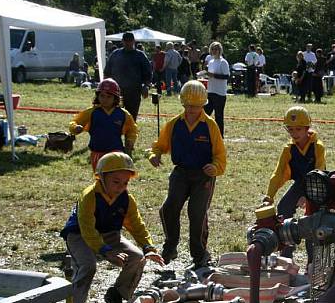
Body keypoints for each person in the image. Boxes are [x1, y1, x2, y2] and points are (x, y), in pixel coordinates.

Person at [55, 152, 164, 303]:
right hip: (80, 235)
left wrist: (149, 247)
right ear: (101, 177)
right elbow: (87, 229)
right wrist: (106, 252)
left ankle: (116, 294)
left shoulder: (126, 199)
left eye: (125, 183)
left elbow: (136, 225)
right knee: (88, 266)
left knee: (137, 257)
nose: (121, 187)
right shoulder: (89, 196)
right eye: (116, 182)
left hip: (109, 235)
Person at [149, 81, 227, 269]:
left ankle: (200, 254)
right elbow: (159, 145)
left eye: (196, 106)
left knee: (197, 212)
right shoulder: (174, 124)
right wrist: (154, 155)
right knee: (168, 208)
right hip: (181, 172)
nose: (192, 110)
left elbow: (220, 155)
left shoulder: (210, 125)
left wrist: (215, 167)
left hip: (203, 175)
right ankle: (170, 247)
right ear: (182, 103)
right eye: (188, 106)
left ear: (203, 105)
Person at [263, 106, 326, 258]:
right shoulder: (288, 149)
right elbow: (278, 173)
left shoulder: (317, 147)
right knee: (283, 207)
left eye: (298, 129)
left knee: (312, 218)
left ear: (307, 128)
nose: (294, 133)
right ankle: (286, 255)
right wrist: (269, 196)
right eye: (290, 130)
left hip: (317, 186)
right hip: (300, 184)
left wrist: (308, 196)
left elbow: (321, 172)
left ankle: (313, 261)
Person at [69, 78, 138, 171]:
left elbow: (132, 129)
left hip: (116, 152)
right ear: (97, 96)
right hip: (97, 152)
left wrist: (130, 141)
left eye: (109, 97)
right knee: (100, 178)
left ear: (115, 98)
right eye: (102, 96)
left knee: (113, 178)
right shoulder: (92, 112)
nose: (105, 99)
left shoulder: (123, 114)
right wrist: (75, 128)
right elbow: (75, 122)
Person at [104, 32, 151, 122]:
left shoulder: (140, 56)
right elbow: (107, 72)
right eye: (126, 41)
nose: (128, 43)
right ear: (122, 41)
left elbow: (148, 73)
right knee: (114, 116)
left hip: (134, 91)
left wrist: (146, 86)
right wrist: (105, 88)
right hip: (116, 92)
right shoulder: (115, 54)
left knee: (131, 118)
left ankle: (130, 135)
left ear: (134, 41)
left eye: (130, 41)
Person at [204, 41, 230, 137]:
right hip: (210, 91)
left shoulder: (223, 62)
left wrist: (213, 75)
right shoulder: (211, 62)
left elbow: (226, 76)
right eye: (213, 49)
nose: (214, 51)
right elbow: (210, 75)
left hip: (220, 93)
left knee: (219, 116)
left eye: (216, 49)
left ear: (220, 50)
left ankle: (220, 136)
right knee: (205, 114)